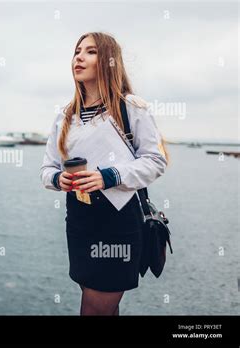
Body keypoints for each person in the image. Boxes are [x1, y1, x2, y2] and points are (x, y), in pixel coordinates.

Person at [40, 32, 169, 316]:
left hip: (118, 221)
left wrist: (108, 176)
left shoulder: (131, 107)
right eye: (77, 51)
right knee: (99, 303)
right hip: (79, 218)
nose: (79, 57)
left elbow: (156, 161)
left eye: (90, 52)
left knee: (95, 309)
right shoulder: (65, 116)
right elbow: (47, 168)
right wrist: (57, 179)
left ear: (109, 61)